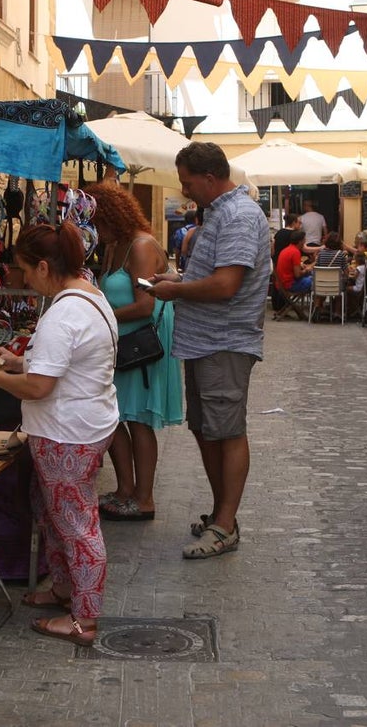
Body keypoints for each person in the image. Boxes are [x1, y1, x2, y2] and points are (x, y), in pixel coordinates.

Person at [0, 221, 119, 646]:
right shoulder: (89, 297)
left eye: (24, 270)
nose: (22, 279)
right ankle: (63, 588)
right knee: (52, 510)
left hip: (67, 432)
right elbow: (57, 368)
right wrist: (18, 362)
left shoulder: (64, 312)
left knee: (76, 523)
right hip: (83, 424)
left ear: (42, 265)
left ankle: (84, 620)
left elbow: (41, 387)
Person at [146, 141, 270, 559]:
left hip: (225, 342)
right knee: (207, 429)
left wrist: (175, 289)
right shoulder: (219, 212)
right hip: (204, 341)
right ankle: (222, 516)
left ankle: (225, 524)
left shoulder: (237, 215)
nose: (185, 191)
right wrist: (177, 277)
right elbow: (213, 273)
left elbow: (226, 285)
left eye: (188, 183)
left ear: (210, 178)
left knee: (227, 431)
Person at [83, 182, 183, 523]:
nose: (94, 229)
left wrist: (100, 315)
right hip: (119, 341)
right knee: (115, 418)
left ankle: (144, 498)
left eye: (96, 221)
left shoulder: (140, 247)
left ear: (111, 216)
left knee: (138, 419)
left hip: (140, 344)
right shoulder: (115, 246)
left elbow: (144, 306)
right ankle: (125, 490)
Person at [276, 230, 313, 295]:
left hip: (281, 283)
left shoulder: (286, 250)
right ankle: (317, 304)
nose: (305, 242)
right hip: (290, 284)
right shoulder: (295, 252)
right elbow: (297, 275)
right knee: (316, 280)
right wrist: (307, 270)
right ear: (300, 241)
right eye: (304, 240)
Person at [178, 207, 204, 271]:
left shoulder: (190, 231)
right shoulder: (211, 231)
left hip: (191, 262)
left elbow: (183, 250)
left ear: (196, 219)